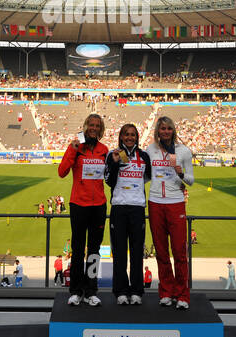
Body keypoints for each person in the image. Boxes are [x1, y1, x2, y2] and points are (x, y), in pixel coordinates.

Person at [58, 113, 109, 307]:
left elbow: (110, 174)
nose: (93, 128)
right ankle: (76, 291)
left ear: (100, 129)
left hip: (98, 206)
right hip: (78, 204)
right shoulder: (76, 146)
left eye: (97, 125)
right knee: (78, 250)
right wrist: (72, 149)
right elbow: (61, 172)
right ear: (85, 126)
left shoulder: (104, 150)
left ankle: (91, 290)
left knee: (94, 251)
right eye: (90, 125)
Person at [147, 116, 193, 309]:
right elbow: (145, 174)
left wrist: (180, 172)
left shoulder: (183, 151)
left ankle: (182, 294)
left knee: (179, 252)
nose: (165, 132)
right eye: (162, 129)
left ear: (173, 130)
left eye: (169, 129)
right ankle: (166, 291)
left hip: (175, 203)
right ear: (157, 131)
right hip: (155, 202)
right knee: (161, 252)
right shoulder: (150, 150)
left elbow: (190, 180)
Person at [105, 123, 151, 306]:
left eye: (132, 134)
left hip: (137, 207)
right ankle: (121, 291)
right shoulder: (113, 154)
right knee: (119, 252)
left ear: (137, 137)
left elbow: (148, 177)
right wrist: (115, 164)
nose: (130, 137)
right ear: (121, 137)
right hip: (119, 207)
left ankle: (137, 290)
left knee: (137, 251)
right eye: (126, 134)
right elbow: (108, 181)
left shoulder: (144, 155)